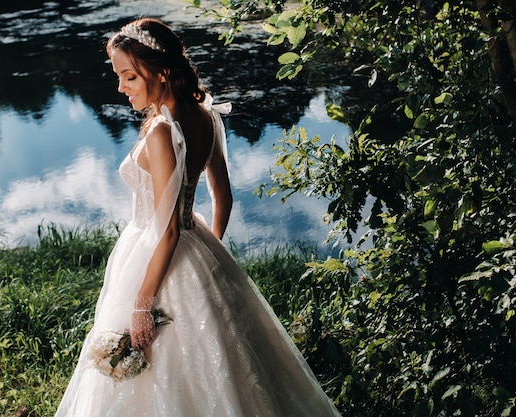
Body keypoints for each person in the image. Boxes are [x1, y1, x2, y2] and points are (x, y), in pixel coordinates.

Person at [54, 17, 342, 417]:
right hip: (195, 244)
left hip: (154, 250)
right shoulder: (205, 115)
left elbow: (168, 228)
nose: (121, 87)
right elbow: (222, 199)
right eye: (118, 76)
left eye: (130, 77)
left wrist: (142, 303)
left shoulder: (160, 131)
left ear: (161, 71)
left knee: (155, 364)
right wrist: (207, 255)